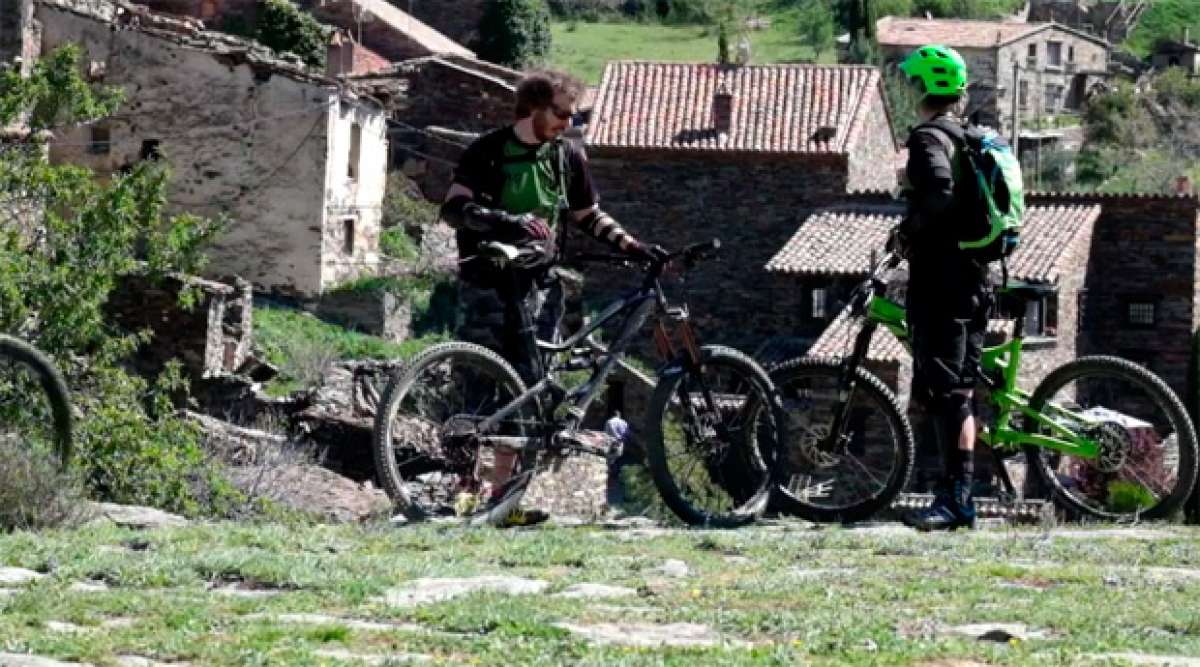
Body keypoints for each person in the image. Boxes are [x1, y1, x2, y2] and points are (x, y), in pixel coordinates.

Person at [440, 69, 667, 527]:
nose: (568, 122)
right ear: (535, 108)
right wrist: (505, 221)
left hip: (539, 285)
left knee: (529, 388)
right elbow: (453, 208)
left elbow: (587, 215)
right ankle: (463, 492)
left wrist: (631, 246)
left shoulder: (567, 156)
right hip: (487, 283)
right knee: (478, 386)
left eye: (574, 114)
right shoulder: (487, 150)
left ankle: (503, 500)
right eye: (562, 113)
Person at [892, 45, 990, 531]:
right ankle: (958, 496)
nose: (908, 90)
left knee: (949, 391)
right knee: (958, 392)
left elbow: (939, 189)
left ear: (925, 86)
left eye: (913, 82)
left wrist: (908, 231)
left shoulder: (930, 137)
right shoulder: (969, 134)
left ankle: (955, 501)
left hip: (943, 282)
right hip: (974, 279)